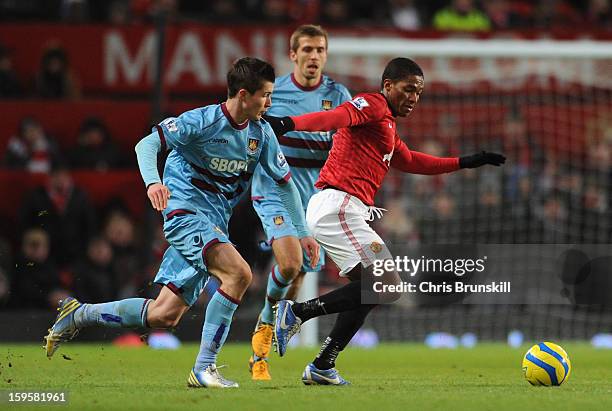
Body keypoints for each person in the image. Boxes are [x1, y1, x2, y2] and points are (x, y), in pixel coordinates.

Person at [43, 57, 320, 389]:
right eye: (265, 95)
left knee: (164, 315)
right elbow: (146, 144)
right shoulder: (201, 122)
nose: (270, 103)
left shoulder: (260, 134)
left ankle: (79, 314)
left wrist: (302, 232)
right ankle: (204, 368)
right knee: (239, 273)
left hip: (214, 224)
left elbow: (285, 183)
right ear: (244, 95)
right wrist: (152, 182)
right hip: (184, 214)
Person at [264, 57, 505, 385]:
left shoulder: (386, 127)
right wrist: (290, 122)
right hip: (338, 205)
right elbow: (338, 116)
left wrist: (466, 161)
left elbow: (413, 161)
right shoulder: (374, 105)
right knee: (386, 286)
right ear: (388, 85)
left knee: (372, 291)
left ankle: (322, 364)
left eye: (418, 93)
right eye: (408, 89)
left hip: (343, 210)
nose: (413, 98)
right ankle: (297, 313)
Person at [248, 24, 351, 381]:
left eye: (320, 50)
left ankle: (269, 324)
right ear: (293, 54)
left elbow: (347, 143)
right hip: (275, 186)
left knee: (300, 272)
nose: (314, 56)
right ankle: (263, 324)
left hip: (315, 196)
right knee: (290, 264)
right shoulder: (276, 91)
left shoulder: (338, 94)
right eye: (306, 50)